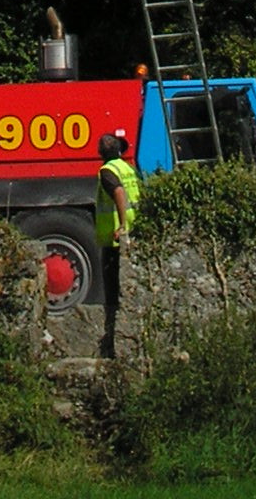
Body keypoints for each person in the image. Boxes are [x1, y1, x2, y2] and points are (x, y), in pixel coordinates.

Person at [95, 128, 141, 359]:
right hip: (133, 230)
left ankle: (113, 339)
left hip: (115, 240)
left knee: (113, 291)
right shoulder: (127, 167)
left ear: (100, 152)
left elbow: (120, 194)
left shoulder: (107, 171)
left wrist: (121, 226)